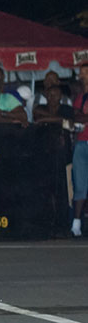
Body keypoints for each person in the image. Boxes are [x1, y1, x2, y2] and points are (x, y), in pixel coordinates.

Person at [70, 63, 88, 236]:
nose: (81, 76)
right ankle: (76, 224)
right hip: (82, 142)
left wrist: (83, 117)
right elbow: (75, 115)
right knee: (80, 184)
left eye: (84, 73)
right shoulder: (80, 96)